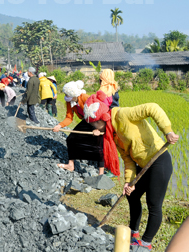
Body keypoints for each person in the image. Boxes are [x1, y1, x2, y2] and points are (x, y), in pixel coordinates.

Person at [84, 90, 179, 251]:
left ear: (102, 119)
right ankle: (133, 232)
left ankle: (146, 243)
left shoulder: (123, 115)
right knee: (132, 194)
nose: (96, 129)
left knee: (153, 203)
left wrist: (167, 131)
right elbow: (128, 159)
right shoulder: (113, 134)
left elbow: (152, 107)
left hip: (158, 160)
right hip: (142, 165)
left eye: (95, 125)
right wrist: (129, 181)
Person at [53, 80, 107, 175]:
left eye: (67, 94)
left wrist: (97, 128)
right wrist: (59, 125)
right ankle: (71, 164)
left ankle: (101, 173)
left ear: (73, 93)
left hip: (96, 121)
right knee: (71, 139)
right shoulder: (69, 102)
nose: (66, 96)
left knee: (98, 143)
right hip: (86, 121)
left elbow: (98, 112)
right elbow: (69, 117)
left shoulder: (86, 98)